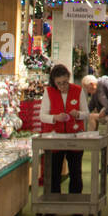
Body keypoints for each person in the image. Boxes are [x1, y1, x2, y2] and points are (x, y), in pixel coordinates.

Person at [39, 64, 88, 195]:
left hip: (75, 137)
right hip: (55, 138)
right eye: (59, 83)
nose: (62, 86)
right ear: (54, 82)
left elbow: (86, 113)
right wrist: (55, 117)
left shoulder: (78, 90)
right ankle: (52, 204)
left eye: (65, 83)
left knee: (75, 172)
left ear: (69, 78)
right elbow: (42, 116)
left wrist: (78, 114)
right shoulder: (48, 92)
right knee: (54, 173)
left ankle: (76, 202)